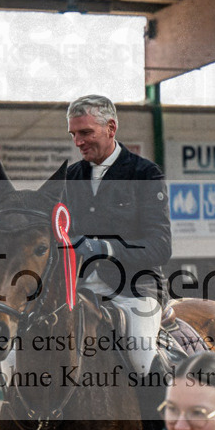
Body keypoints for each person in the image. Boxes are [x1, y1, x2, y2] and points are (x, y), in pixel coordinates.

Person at [65, 94, 171, 378]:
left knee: (141, 356)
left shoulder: (144, 173)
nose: (78, 142)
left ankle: (159, 421)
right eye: (74, 134)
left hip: (134, 290)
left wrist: (107, 249)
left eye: (85, 132)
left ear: (111, 128)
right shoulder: (70, 177)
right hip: (80, 291)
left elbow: (160, 246)